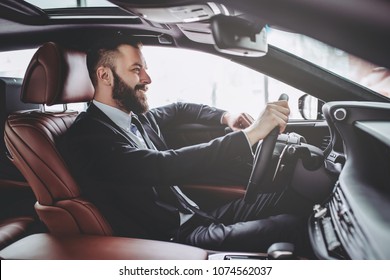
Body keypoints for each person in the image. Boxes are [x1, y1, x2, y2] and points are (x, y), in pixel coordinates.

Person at [58, 34, 311, 255]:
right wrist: (252, 134)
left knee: (294, 197)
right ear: (105, 76)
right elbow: (164, 166)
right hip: (170, 238)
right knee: (291, 227)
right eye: (136, 70)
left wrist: (226, 117)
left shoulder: (135, 118)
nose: (147, 78)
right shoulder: (87, 139)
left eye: (144, 68)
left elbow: (180, 109)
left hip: (197, 216)